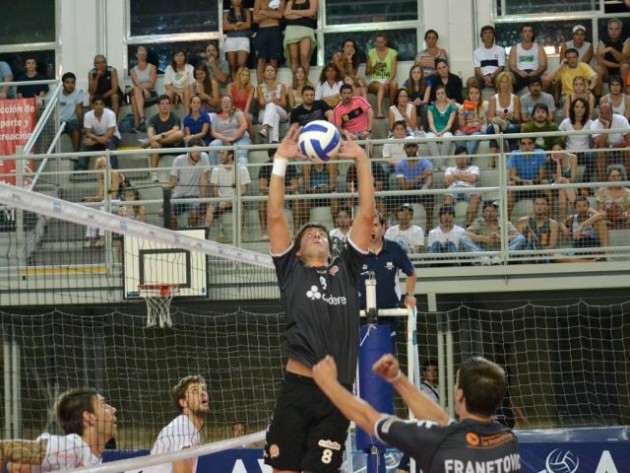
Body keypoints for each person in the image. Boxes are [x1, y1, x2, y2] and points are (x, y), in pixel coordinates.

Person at [263, 126, 375, 472]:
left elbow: (367, 215)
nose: (317, 233)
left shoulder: (347, 268)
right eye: (310, 233)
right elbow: (275, 216)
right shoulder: (291, 271)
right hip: (297, 388)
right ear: (296, 251)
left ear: (330, 249)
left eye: (322, 233)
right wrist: (281, 160)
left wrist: (361, 159)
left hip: (336, 393)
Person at [311, 354, 520, 473]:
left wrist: (328, 384)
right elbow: (442, 421)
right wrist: (398, 379)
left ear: (459, 394)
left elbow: (369, 418)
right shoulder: (507, 440)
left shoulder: (437, 440)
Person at [0, 388, 117, 471]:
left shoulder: (93, 459)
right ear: (89, 417)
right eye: (103, 405)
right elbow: (3, 448)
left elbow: (16, 466)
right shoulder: (71, 447)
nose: (113, 410)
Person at [143, 376, 210, 473]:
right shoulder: (182, 427)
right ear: (183, 402)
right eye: (194, 391)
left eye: (203, 389)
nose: (202, 393)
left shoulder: (191, 429)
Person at [359, 211, 417, 310]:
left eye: (375, 225)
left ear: (383, 227)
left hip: (391, 311)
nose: (372, 229)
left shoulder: (395, 248)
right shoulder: (356, 251)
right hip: (362, 313)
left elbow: (411, 273)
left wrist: (410, 295)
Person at [82, 156, 133, 248]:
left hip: (120, 203)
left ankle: (102, 238)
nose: (102, 170)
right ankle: (91, 239)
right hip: (107, 202)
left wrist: (103, 192)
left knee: (103, 208)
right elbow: (100, 196)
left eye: (103, 166)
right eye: (99, 168)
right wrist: (91, 198)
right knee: (91, 210)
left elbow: (113, 194)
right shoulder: (101, 177)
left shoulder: (115, 173)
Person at [258, 148, 306, 238]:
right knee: (261, 199)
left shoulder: (289, 166)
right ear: (271, 156)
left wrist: (280, 189)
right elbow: (262, 188)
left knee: (296, 197)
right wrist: (277, 189)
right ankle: (264, 232)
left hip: (287, 195)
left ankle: (296, 231)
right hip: (272, 196)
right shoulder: (265, 166)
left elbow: (294, 186)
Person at [459, 200, 526, 263]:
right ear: (483, 213)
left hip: (502, 251)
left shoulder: (504, 222)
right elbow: (466, 233)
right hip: (482, 252)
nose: (490, 213)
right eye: (487, 211)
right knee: (463, 238)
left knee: (521, 238)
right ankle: (482, 258)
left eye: (493, 210)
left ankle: (501, 257)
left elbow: (517, 235)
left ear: (497, 213)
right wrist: (485, 239)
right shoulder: (479, 222)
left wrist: (500, 239)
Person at [205, 148, 251, 236]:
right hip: (220, 200)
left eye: (222, 153)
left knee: (240, 206)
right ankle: (206, 233)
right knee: (211, 207)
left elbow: (244, 190)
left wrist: (230, 201)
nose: (220, 156)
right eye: (219, 153)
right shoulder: (216, 170)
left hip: (236, 200)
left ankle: (240, 236)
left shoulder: (242, 169)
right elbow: (215, 192)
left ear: (230, 156)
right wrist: (222, 201)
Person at [168, 138, 211, 229]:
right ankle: (174, 236)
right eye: (195, 151)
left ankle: (191, 234)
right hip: (178, 196)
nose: (197, 154)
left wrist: (203, 201)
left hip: (194, 196)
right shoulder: (178, 160)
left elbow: (204, 180)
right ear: (189, 150)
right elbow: (172, 182)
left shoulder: (204, 157)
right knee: (169, 216)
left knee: (194, 214)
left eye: (199, 151)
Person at [142, 94, 184, 183]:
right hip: (160, 146)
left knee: (180, 134)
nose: (165, 106)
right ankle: (154, 174)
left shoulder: (175, 117)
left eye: (167, 103)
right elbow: (150, 132)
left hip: (174, 144)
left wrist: (161, 136)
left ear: (170, 106)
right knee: (155, 144)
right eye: (162, 103)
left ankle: (151, 142)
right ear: (158, 105)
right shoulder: (153, 119)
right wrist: (152, 139)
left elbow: (175, 129)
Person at [77, 95, 121, 171]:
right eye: (96, 104)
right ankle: (80, 172)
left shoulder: (111, 114)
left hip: (112, 137)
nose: (99, 106)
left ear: (104, 106)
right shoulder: (87, 115)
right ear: (93, 105)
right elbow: (88, 133)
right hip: (97, 136)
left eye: (101, 104)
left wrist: (94, 142)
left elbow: (109, 136)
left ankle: (114, 171)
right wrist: (96, 140)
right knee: (85, 144)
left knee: (110, 146)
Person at [395, 139, 434, 224]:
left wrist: (425, 187)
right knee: (393, 197)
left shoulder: (426, 163)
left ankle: (429, 224)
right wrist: (421, 177)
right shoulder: (400, 165)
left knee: (430, 196)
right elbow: (404, 186)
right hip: (407, 192)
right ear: (404, 148)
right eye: (409, 147)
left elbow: (429, 179)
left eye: (413, 146)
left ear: (417, 148)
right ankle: (399, 224)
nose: (411, 149)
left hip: (421, 192)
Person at [507, 137, 547, 219]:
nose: (527, 146)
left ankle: (550, 219)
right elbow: (512, 175)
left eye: (529, 143)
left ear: (533, 145)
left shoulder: (540, 154)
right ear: (520, 146)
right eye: (524, 144)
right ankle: (507, 221)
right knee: (511, 185)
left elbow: (542, 175)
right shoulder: (514, 154)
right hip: (520, 186)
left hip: (535, 186)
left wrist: (533, 182)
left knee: (545, 183)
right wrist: (523, 181)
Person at [591, 100, 630, 183]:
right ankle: (602, 184)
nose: (604, 115)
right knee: (600, 151)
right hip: (606, 150)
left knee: (628, 149)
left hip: (621, 148)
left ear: (612, 112)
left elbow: (629, 140)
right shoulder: (594, 124)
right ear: (599, 113)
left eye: (607, 112)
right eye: (602, 112)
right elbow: (600, 145)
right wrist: (607, 126)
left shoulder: (622, 120)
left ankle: (628, 182)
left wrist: (613, 147)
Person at [486, 71, 521, 158]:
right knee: (490, 129)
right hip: (498, 124)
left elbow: (518, 117)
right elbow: (490, 118)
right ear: (498, 83)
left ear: (510, 84)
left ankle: (513, 157)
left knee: (511, 129)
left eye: (506, 82)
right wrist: (499, 117)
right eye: (502, 82)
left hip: (511, 123)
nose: (504, 84)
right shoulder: (493, 99)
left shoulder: (515, 98)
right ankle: (493, 159)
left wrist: (511, 116)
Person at [443, 147, 481, 227]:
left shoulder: (474, 168)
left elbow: (473, 179)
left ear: (467, 158)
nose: (461, 160)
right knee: (447, 199)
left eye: (463, 158)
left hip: (469, 189)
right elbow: (446, 182)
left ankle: (468, 225)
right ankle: (448, 225)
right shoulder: (449, 169)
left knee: (476, 197)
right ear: (455, 159)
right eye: (459, 158)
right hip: (453, 189)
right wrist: (465, 176)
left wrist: (455, 175)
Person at [209, 95, 252, 166]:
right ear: (221, 104)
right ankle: (215, 172)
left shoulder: (238, 113)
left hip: (241, 138)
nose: (226, 104)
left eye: (228, 102)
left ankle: (243, 176)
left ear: (232, 105)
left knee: (241, 154)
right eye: (224, 102)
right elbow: (213, 132)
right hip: (223, 140)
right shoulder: (215, 117)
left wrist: (233, 138)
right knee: (213, 146)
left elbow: (244, 126)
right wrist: (224, 139)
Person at [365, 32, 398, 119]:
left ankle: (391, 106)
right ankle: (379, 111)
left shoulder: (392, 52)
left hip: (387, 79)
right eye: (377, 42)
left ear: (385, 42)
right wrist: (375, 67)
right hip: (374, 80)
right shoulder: (371, 52)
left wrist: (388, 81)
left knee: (394, 85)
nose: (379, 44)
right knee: (381, 87)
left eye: (381, 42)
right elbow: (367, 72)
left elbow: (393, 72)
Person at [508, 23, 548, 93]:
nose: (528, 34)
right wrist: (519, 72)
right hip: (519, 74)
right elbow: (511, 66)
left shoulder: (539, 48)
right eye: (525, 31)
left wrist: (536, 72)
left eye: (530, 31)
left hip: (535, 74)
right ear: (521, 34)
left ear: (532, 34)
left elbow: (543, 66)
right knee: (507, 77)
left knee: (546, 78)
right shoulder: (515, 48)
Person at [595, 18, 630, 96]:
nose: (613, 32)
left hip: (621, 71)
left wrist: (611, 50)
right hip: (607, 72)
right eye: (611, 29)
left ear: (620, 30)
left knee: (625, 66)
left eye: (616, 29)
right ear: (608, 30)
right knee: (598, 68)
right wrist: (617, 65)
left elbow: (624, 59)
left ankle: (624, 97)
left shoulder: (626, 40)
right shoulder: (603, 41)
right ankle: (599, 98)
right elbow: (600, 61)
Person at [253, 0, 285, 84]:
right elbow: (255, 18)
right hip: (262, 30)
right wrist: (272, 13)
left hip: (275, 30)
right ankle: (260, 88)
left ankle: (272, 87)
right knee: (261, 60)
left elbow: (280, 15)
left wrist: (263, 12)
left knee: (274, 60)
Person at [282, 0, 318, 75]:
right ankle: (296, 82)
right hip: (292, 29)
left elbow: (312, 12)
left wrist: (292, 11)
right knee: (294, 57)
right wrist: (306, 14)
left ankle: (304, 82)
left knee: (304, 55)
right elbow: (287, 15)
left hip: (306, 29)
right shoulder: (290, 1)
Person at [257, 63, 288, 143]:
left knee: (272, 106)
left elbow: (284, 104)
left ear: (275, 73)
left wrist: (276, 102)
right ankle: (274, 141)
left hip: (281, 111)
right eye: (267, 70)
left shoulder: (282, 86)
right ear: (263, 73)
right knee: (275, 116)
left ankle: (265, 128)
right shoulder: (260, 87)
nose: (270, 72)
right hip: (263, 113)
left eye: (272, 70)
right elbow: (261, 103)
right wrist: (272, 101)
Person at [129, 45, 158, 132]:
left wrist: (145, 89)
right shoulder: (132, 70)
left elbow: (151, 84)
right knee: (135, 94)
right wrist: (144, 89)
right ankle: (141, 119)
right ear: (136, 55)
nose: (142, 53)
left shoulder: (152, 67)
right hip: (140, 93)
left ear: (146, 54)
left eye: (144, 51)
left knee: (136, 90)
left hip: (150, 94)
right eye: (140, 51)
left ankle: (137, 123)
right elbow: (136, 84)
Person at [425, 85, 457, 159]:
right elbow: (431, 125)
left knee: (448, 136)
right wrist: (436, 133)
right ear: (435, 95)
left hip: (446, 131)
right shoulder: (430, 108)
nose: (440, 95)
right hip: (433, 131)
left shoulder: (452, 108)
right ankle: (440, 164)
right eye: (438, 93)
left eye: (442, 93)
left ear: (446, 95)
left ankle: (439, 164)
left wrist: (442, 132)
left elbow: (449, 125)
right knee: (429, 137)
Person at [223, 0, 252, 81]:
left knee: (241, 63)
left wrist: (232, 26)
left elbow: (248, 25)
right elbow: (225, 27)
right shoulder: (226, 13)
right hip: (230, 39)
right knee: (232, 65)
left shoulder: (246, 11)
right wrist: (238, 25)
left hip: (243, 38)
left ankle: (243, 84)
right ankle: (235, 85)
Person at [470, 25, 506, 90]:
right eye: (485, 33)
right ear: (482, 37)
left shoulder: (501, 50)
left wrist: (491, 76)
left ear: (493, 36)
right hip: (482, 77)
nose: (488, 35)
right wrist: (484, 77)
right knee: (470, 81)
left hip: (496, 75)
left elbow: (501, 67)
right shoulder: (477, 52)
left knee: (502, 80)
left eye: (490, 33)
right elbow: (477, 68)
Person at [550, 141, 578, 222]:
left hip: (570, 186)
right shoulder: (550, 159)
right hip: (555, 186)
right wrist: (557, 162)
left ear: (564, 149)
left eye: (559, 149)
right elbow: (557, 179)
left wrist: (564, 180)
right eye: (554, 150)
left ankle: (563, 221)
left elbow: (572, 178)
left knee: (562, 190)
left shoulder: (573, 157)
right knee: (562, 184)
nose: (557, 152)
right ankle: (575, 207)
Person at [88, 54, 122, 118]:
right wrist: (97, 77)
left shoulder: (112, 70)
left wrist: (102, 97)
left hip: (110, 95)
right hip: (98, 95)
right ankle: (94, 121)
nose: (101, 65)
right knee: (91, 98)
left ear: (106, 63)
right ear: (94, 65)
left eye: (103, 62)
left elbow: (114, 89)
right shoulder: (91, 73)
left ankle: (114, 122)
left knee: (115, 96)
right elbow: (91, 92)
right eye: (98, 63)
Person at [455, 85, 486, 156]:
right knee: (458, 135)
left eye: (476, 93)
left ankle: (467, 160)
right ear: (468, 95)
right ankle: (463, 158)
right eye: (471, 93)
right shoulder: (463, 106)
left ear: (480, 95)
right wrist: (461, 116)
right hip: (466, 129)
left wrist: (476, 118)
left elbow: (487, 123)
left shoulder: (485, 105)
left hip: (479, 130)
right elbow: (461, 126)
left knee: (475, 136)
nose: (474, 95)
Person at [59, 72, 84, 153]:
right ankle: (46, 155)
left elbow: (79, 111)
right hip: (59, 122)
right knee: (47, 129)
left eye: (73, 83)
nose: (70, 85)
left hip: (71, 121)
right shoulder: (57, 94)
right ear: (63, 84)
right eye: (67, 82)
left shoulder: (78, 93)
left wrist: (81, 123)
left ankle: (76, 153)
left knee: (75, 126)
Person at [164, 49, 195, 115]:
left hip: (186, 91)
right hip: (174, 92)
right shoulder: (169, 68)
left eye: (181, 55)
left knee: (187, 92)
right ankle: (168, 116)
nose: (179, 58)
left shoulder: (190, 68)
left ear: (185, 57)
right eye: (177, 55)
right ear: (173, 57)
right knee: (168, 92)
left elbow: (191, 85)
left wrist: (192, 97)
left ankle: (187, 116)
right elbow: (167, 85)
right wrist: (178, 92)